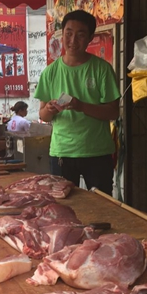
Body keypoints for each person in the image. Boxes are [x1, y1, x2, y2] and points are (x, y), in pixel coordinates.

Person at [35, 10, 120, 195]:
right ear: (62, 34)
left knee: (101, 206)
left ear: (90, 38)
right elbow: (43, 115)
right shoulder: (50, 72)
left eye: (80, 35)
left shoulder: (102, 69)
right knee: (64, 206)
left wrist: (81, 106)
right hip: (62, 152)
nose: (73, 40)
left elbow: (114, 112)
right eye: (69, 33)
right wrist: (49, 109)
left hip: (97, 152)